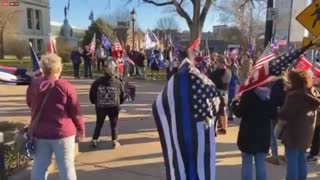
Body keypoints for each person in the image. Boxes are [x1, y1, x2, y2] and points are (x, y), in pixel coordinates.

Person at [26, 53, 85, 180]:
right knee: (66, 166)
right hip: (62, 133)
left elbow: (30, 104)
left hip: (40, 132)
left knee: (39, 166)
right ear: (59, 68)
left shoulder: (34, 84)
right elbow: (75, 111)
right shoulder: (65, 86)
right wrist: (81, 129)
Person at [279, 70, 320, 180]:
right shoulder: (312, 92)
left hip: (294, 133)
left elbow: (285, 114)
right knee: (301, 158)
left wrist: (279, 110)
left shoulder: (295, 95)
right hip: (306, 132)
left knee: (292, 160)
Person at [232, 86, 272, 180]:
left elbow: (239, 113)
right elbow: (273, 114)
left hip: (248, 133)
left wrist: (235, 102)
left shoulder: (247, 95)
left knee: (247, 163)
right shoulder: (269, 95)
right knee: (261, 163)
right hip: (263, 134)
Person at [89, 62, 125, 149]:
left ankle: (94, 140)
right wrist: (119, 103)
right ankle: (114, 141)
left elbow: (92, 95)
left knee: (99, 123)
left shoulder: (97, 82)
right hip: (114, 107)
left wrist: (95, 102)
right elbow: (122, 96)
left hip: (101, 106)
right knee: (114, 124)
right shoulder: (118, 82)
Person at [208, 55, 232, 134]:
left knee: (216, 113)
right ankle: (224, 128)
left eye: (217, 62)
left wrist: (210, 70)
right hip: (225, 93)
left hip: (217, 94)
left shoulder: (216, 73)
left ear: (220, 63)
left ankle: (214, 130)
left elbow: (210, 78)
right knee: (223, 111)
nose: (216, 64)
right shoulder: (229, 72)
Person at [267, 76, 287, 165]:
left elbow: (274, 99)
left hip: (277, 111)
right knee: (286, 134)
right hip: (285, 110)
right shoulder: (289, 82)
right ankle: (286, 155)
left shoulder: (277, 83)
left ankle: (275, 156)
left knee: (273, 134)